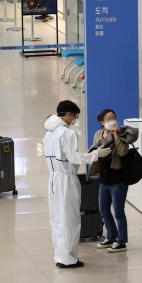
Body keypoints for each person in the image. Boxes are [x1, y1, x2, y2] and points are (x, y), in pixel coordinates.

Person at [43, 101, 111, 268]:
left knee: (57, 219)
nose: (74, 120)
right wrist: (96, 154)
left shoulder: (49, 133)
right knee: (70, 220)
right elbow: (73, 158)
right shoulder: (67, 133)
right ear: (68, 114)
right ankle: (69, 258)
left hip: (53, 179)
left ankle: (60, 256)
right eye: (74, 116)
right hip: (66, 179)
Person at [92, 109, 129, 253]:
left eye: (113, 118)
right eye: (108, 119)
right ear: (102, 122)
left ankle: (121, 241)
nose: (112, 121)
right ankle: (111, 236)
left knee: (118, 211)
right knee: (103, 209)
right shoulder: (98, 134)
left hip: (118, 179)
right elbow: (96, 149)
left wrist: (116, 136)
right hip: (104, 178)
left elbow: (122, 151)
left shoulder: (122, 133)